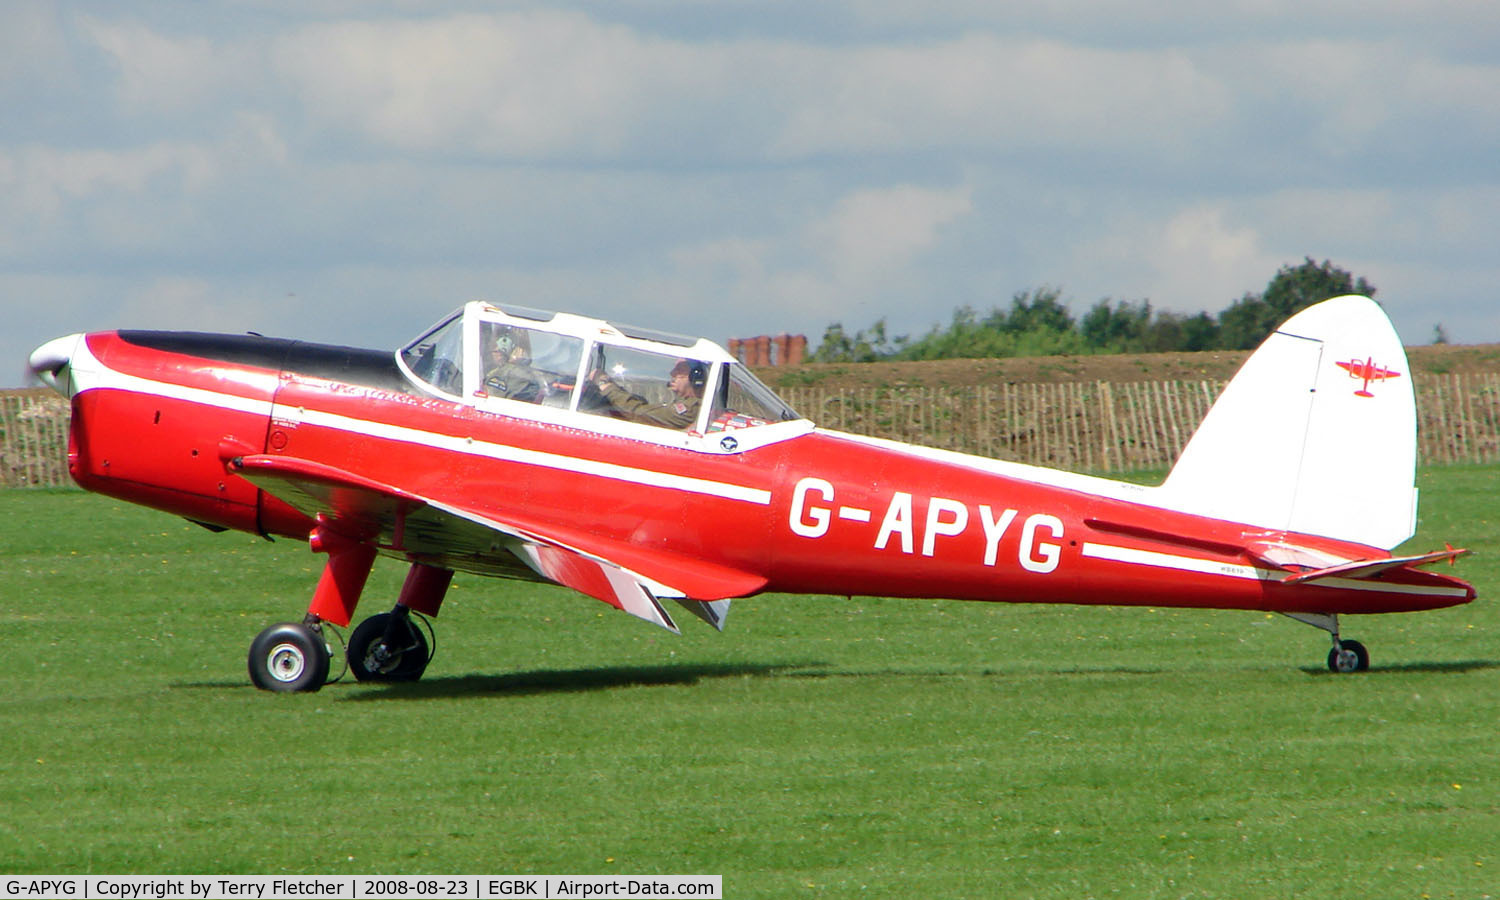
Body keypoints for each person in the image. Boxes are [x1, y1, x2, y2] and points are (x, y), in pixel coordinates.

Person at [590, 358, 705, 429]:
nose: (672, 373)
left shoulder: (689, 409)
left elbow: (638, 412)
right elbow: (644, 407)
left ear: (696, 378)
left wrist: (604, 384)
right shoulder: (684, 403)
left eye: (680, 370)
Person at [482, 327, 546, 403]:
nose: (499, 349)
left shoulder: (526, 378)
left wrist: (513, 366)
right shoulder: (484, 369)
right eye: (495, 350)